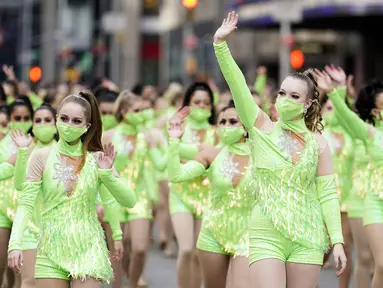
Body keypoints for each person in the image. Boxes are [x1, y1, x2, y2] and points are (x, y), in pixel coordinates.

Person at [213, 12, 346, 288]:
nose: (285, 100)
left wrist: (338, 241)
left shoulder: (319, 143)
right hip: (266, 233)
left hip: (307, 235)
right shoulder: (261, 126)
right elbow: (237, 85)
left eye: (294, 96)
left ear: (308, 104)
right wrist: (221, 46)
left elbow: (328, 194)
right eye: (282, 93)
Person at [7, 90, 136, 288]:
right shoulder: (41, 156)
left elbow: (129, 200)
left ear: (87, 127)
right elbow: (25, 204)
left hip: (88, 247)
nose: (69, 125)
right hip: (50, 249)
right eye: (64, 118)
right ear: (57, 119)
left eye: (77, 121)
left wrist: (107, 175)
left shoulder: (97, 158)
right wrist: (14, 244)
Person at [168, 102, 251, 288]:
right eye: (222, 122)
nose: (226, 126)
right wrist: (174, 141)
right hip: (213, 234)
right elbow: (176, 176)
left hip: (248, 236)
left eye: (233, 121)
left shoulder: (262, 156)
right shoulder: (211, 154)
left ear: (246, 126)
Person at [316, 68, 382, 288]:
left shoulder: (357, 136)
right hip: (363, 200)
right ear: (375, 112)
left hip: (351, 196)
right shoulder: (368, 134)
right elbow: (347, 117)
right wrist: (336, 92)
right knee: (371, 260)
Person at [102, 90, 166, 288]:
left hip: (139, 196)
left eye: (143, 110)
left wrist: (160, 144)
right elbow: (100, 170)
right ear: (123, 112)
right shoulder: (109, 136)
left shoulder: (145, 136)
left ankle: (133, 282)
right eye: (136, 110)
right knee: (117, 253)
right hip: (114, 196)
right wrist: (98, 201)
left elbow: (159, 165)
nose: (141, 114)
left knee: (139, 248)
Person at [169, 82, 218, 288]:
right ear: (187, 104)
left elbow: (215, 156)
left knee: (200, 252)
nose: (201, 106)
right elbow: (175, 150)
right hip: (181, 194)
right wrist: (201, 150)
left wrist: (192, 150)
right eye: (196, 102)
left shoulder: (218, 131)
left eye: (206, 103)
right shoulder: (178, 127)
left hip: (206, 196)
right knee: (186, 249)